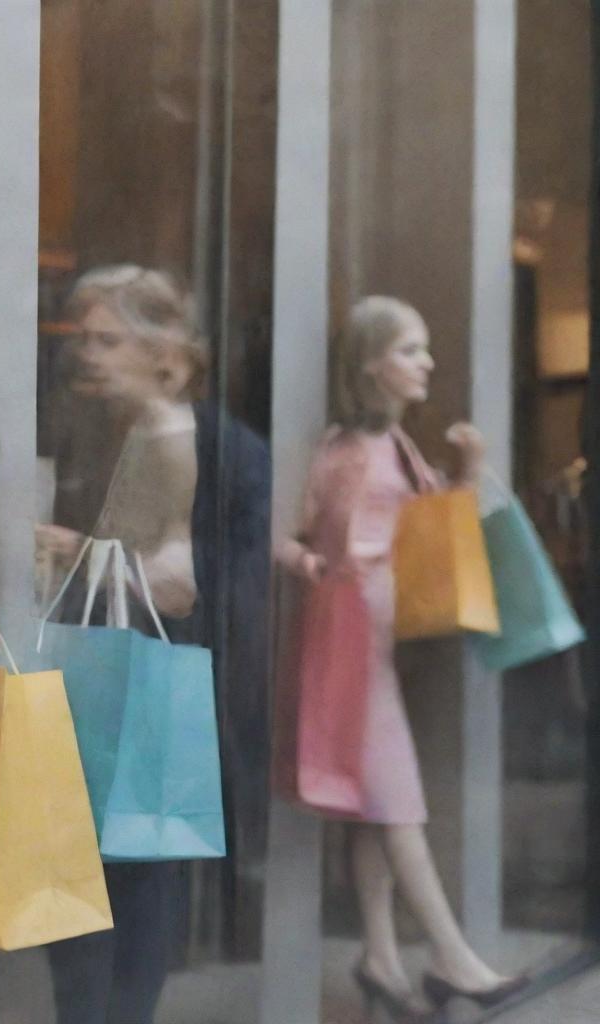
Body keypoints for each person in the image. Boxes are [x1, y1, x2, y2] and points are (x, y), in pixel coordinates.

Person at [277, 296, 527, 1020]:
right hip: (352, 643)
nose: (428, 363)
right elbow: (292, 530)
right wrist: (311, 566)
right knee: (399, 805)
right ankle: (451, 958)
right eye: (411, 349)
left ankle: (382, 958)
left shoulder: (394, 445)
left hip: (380, 643)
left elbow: (433, 528)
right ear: (370, 364)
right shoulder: (346, 448)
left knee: (374, 805)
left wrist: (471, 468)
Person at [38, 265, 270, 1023]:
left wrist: (78, 552)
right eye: (84, 339)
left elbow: (179, 581)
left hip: (141, 680)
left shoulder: (175, 436)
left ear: (159, 349)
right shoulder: (132, 427)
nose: (89, 355)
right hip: (121, 674)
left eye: (109, 340)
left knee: (128, 877)